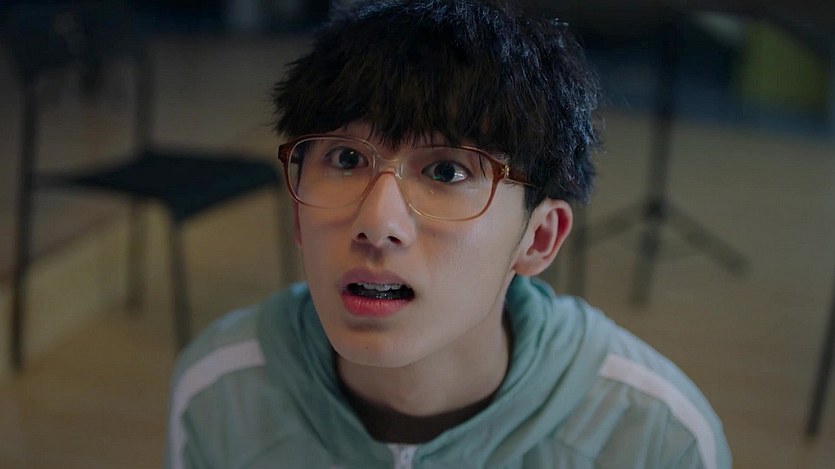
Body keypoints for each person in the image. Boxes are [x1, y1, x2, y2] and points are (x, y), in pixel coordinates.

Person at [165, 0, 731, 467]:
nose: (376, 223)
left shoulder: (655, 437)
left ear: (538, 239)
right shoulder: (221, 390)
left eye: (446, 171)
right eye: (345, 159)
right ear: (297, 212)